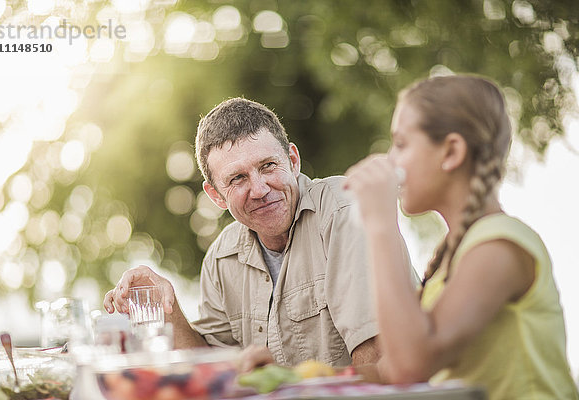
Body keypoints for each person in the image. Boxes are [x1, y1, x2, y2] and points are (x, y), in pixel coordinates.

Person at [104, 98, 416, 367]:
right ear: (215, 196)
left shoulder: (344, 210)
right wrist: (165, 311)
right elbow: (213, 370)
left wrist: (278, 381)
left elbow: (378, 363)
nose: (259, 189)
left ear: (293, 161)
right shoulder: (221, 258)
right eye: (237, 178)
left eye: (268, 165)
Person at [345, 75, 578, 399]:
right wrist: (288, 376)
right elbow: (386, 369)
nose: (390, 160)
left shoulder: (499, 247)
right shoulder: (452, 256)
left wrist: (381, 224)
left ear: (452, 152)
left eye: (400, 145)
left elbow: (408, 367)